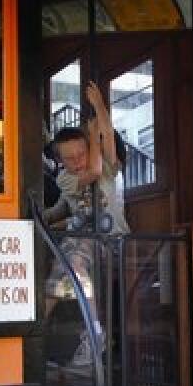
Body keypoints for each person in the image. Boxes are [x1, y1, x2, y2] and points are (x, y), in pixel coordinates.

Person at [44, 81, 127, 368]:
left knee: (70, 264)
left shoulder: (104, 168)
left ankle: (93, 334)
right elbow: (60, 208)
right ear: (59, 161)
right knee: (59, 274)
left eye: (80, 153)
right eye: (68, 158)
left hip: (112, 240)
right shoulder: (64, 179)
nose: (77, 161)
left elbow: (99, 160)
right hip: (81, 242)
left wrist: (100, 108)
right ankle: (36, 335)